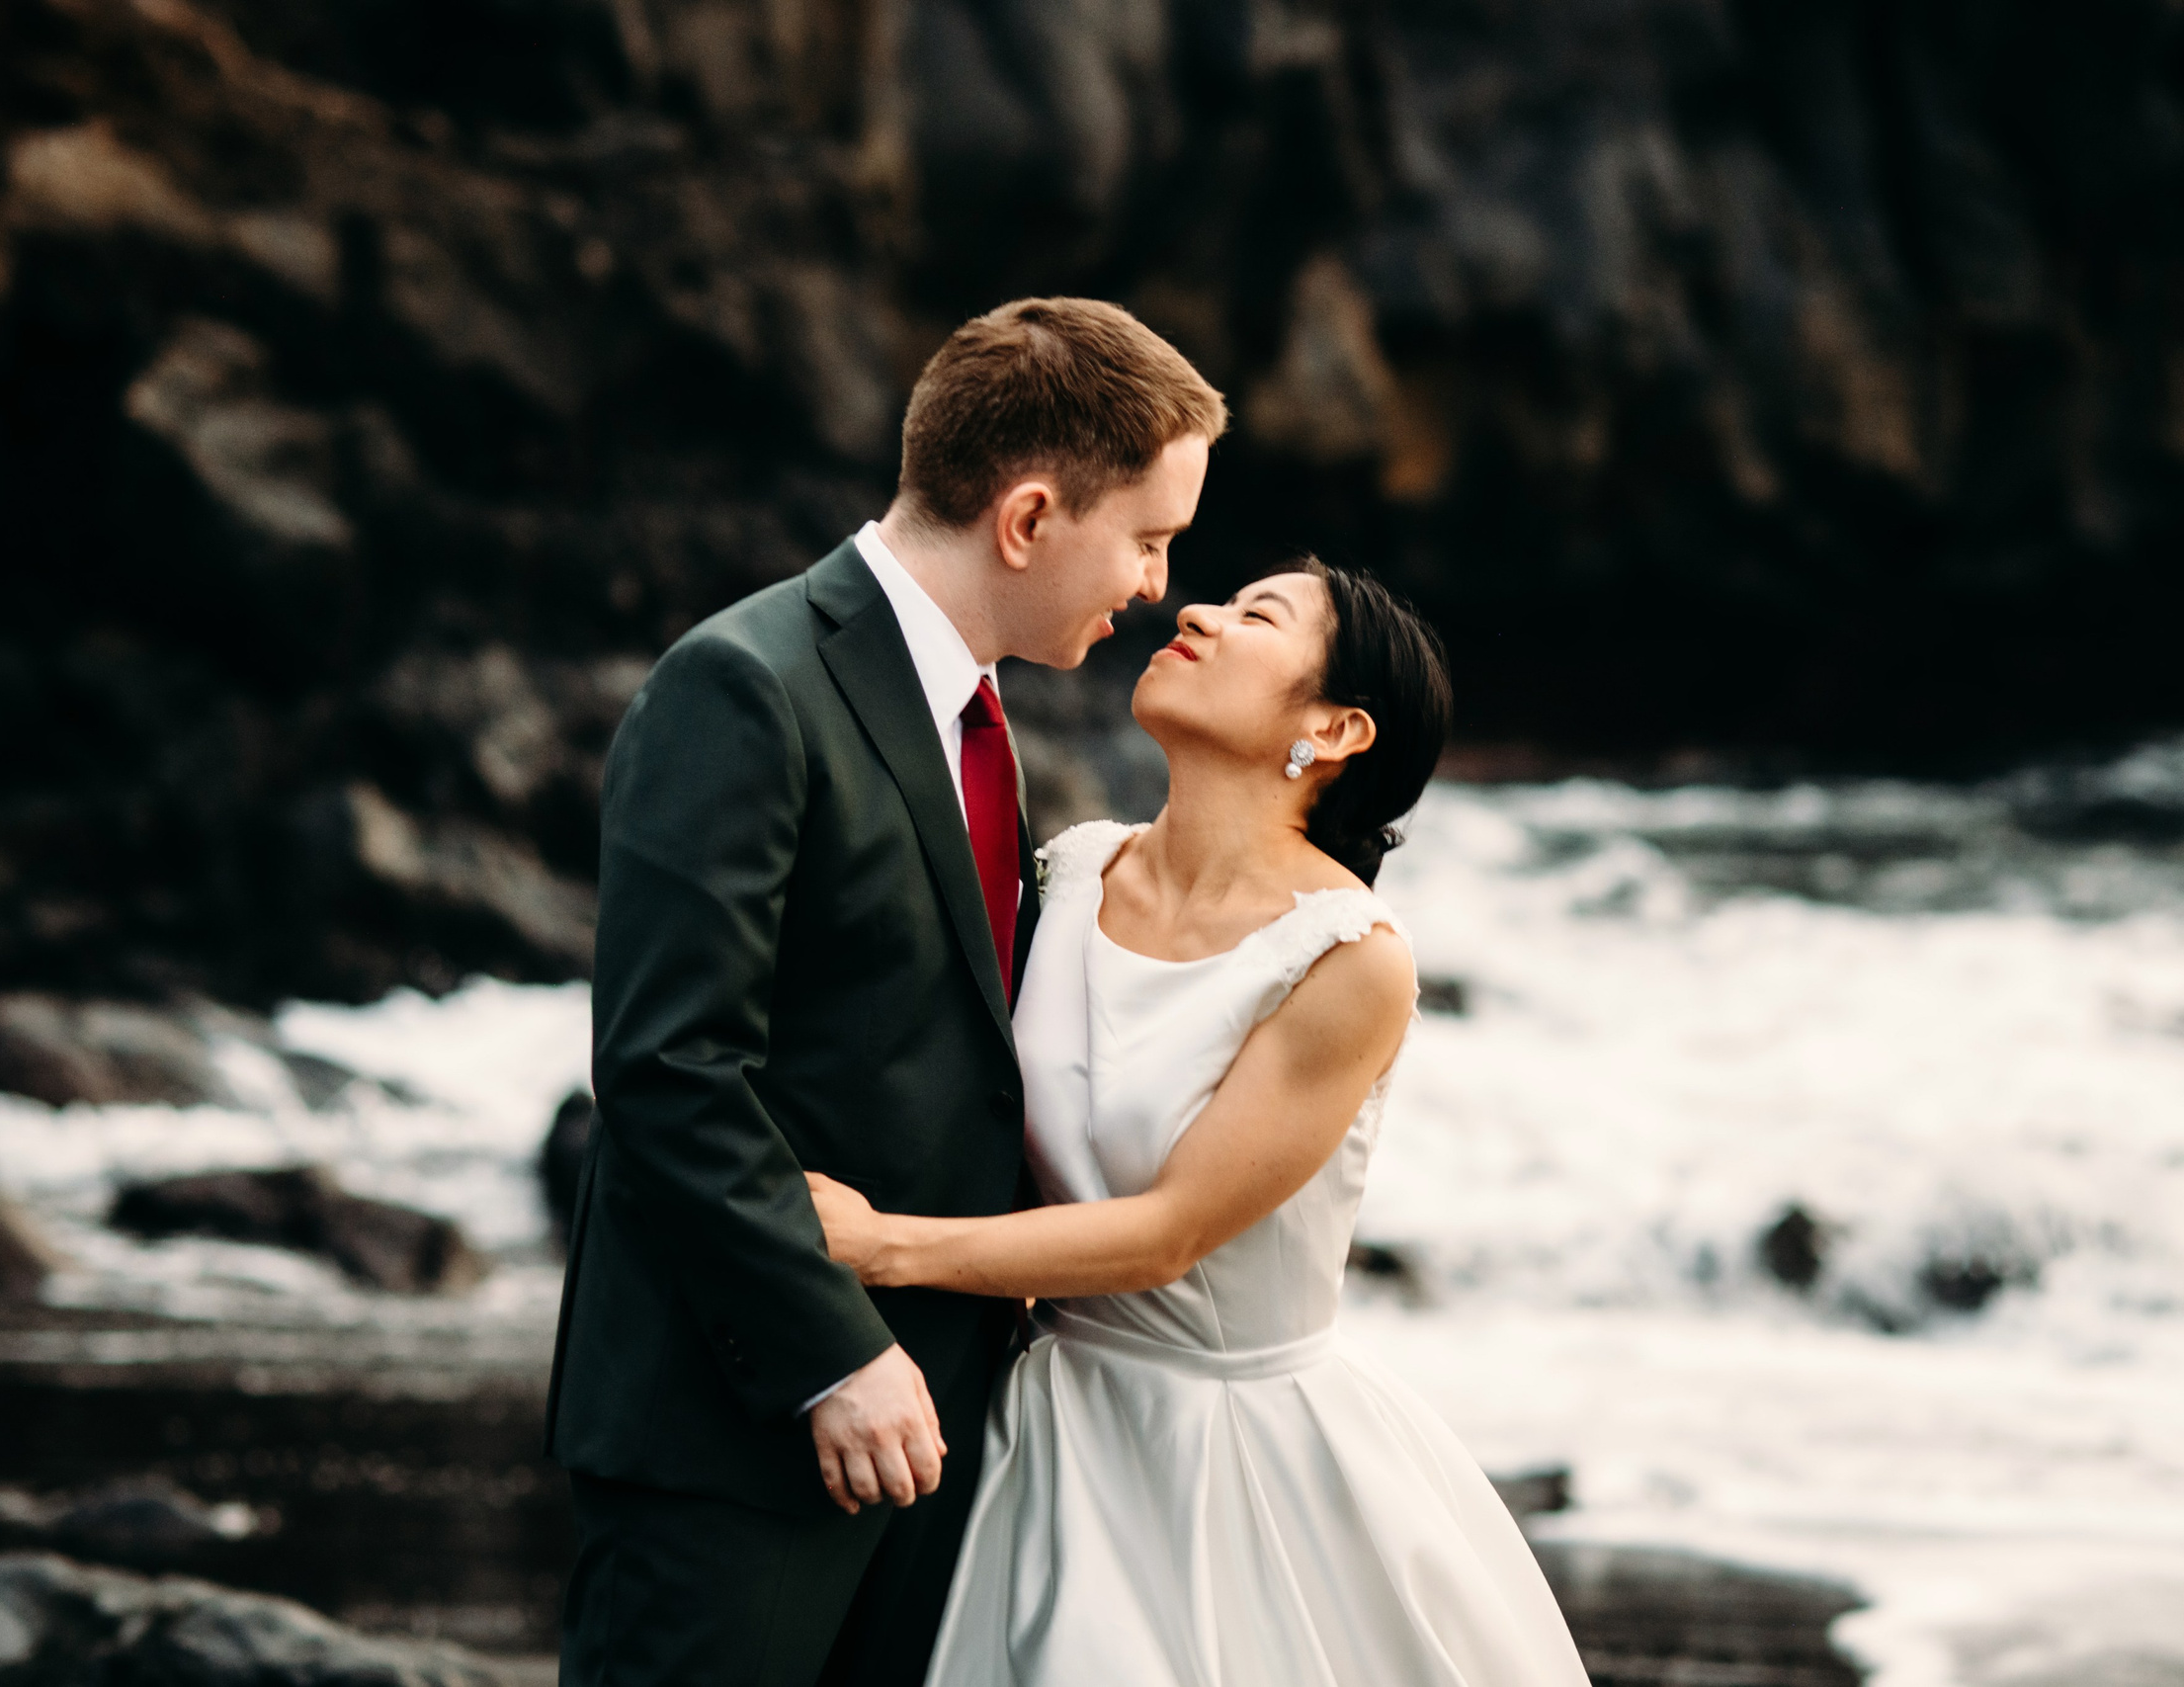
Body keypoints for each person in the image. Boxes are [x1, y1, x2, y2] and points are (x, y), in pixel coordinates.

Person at [544, 297, 1226, 1687]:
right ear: (1028, 518)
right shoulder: (742, 686)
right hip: (739, 1434)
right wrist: (829, 1355)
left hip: (931, 1436)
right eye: (1147, 537)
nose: (1158, 584)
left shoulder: (975, 713)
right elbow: (672, 1073)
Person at [807, 558, 1594, 1685]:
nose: (1194, 611)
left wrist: (879, 1242)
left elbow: (1169, 1230)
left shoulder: (1350, 961)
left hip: (1234, 1456)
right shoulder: (1070, 872)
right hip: (1041, 1417)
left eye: (1254, 616)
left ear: (1333, 730)